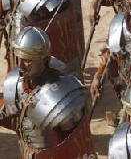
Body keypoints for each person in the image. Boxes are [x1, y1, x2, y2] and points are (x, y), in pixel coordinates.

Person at [0, 26, 96, 158]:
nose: (20, 64)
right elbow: (13, 119)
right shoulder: (17, 82)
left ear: (44, 60)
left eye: (27, 60)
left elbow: (75, 144)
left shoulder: (62, 92)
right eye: (18, 58)